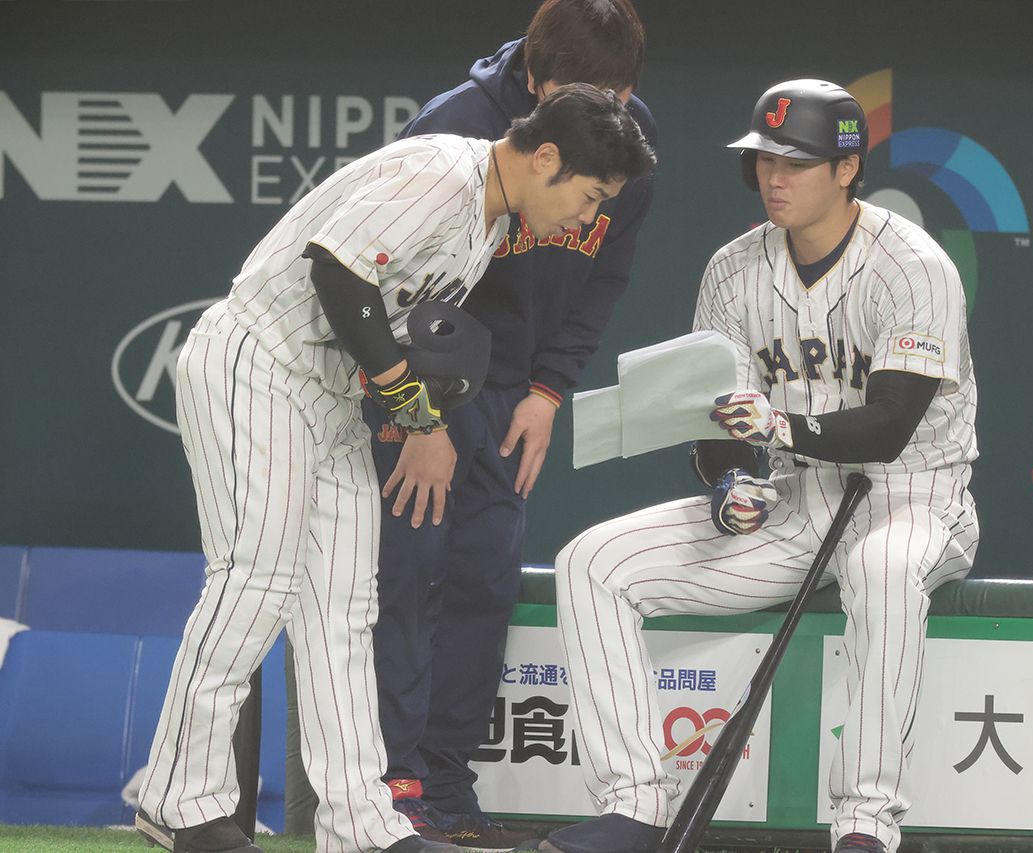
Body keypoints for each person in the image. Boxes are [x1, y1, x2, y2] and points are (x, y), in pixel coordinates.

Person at [134, 85, 655, 853]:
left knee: (347, 606)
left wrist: (420, 407)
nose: (589, 217)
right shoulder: (441, 174)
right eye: (589, 195)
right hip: (259, 364)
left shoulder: (489, 220)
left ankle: (361, 825)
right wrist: (414, 409)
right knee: (254, 580)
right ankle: (176, 800)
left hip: (328, 394)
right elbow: (337, 275)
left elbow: (398, 329)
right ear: (546, 158)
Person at [537, 79, 979, 853]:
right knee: (592, 562)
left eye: (796, 161)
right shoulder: (735, 269)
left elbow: (890, 424)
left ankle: (865, 825)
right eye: (764, 158)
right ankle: (634, 805)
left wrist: (777, 425)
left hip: (913, 498)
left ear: (846, 169)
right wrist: (729, 482)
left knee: (880, 568)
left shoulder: (913, 264)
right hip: (795, 501)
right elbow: (715, 422)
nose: (774, 176)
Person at [363, 2, 656, 849]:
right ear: (533, 82)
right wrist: (416, 409)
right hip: (420, 385)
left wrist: (549, 389)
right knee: (406, 577)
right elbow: (383, 285)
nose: (594, 126)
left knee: (485, 583)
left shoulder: (629, 146)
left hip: (512, 392)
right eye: (570, 99)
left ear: (630, 90)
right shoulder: (454, 127)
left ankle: (447, 788)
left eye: (611, 101)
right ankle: (390, 785)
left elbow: (608, 274)